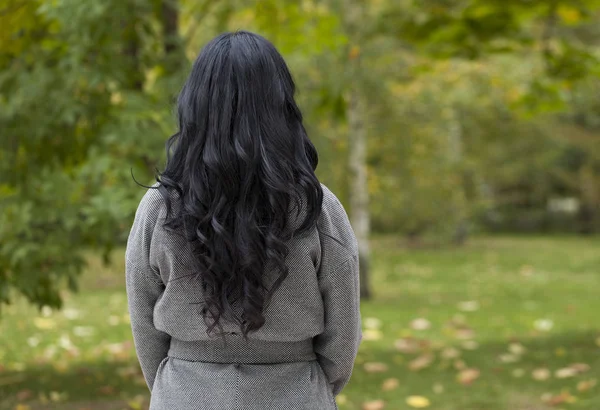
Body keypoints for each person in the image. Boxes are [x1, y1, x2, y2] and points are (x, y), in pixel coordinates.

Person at [125, 30, 362, 410]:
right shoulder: (318, 207)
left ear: (194, 106)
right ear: (281, 106)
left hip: (184, 394)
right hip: (295, 394)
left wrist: (177, 385)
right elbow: (343, 334)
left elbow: (144, 323)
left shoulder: (158, 207)